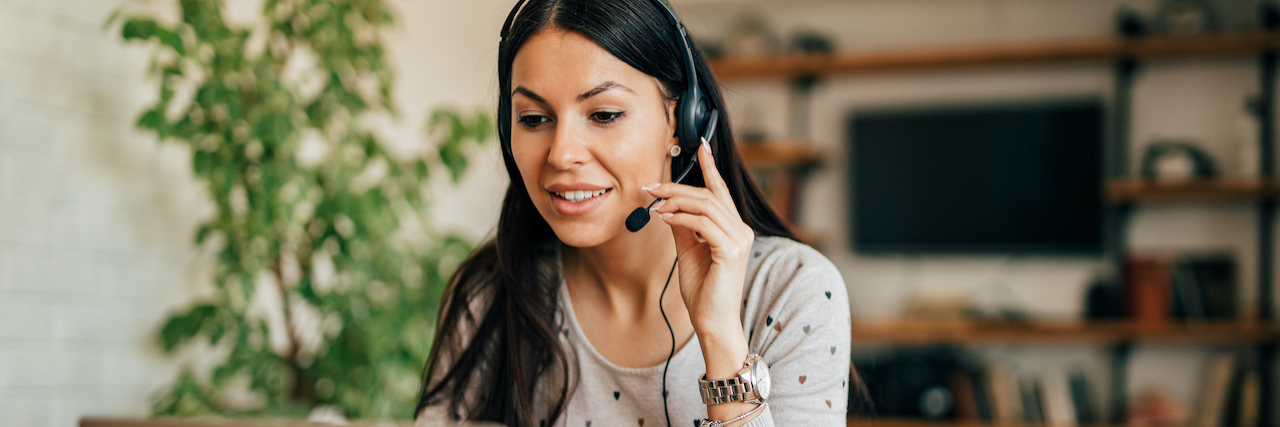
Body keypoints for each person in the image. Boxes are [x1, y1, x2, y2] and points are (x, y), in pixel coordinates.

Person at [414, 0, 850, 426]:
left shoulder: (793, 291)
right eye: (533, 118)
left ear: (682, 123)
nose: (562, 154)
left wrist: (720, 337)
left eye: (603, 114)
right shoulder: (489, 296)